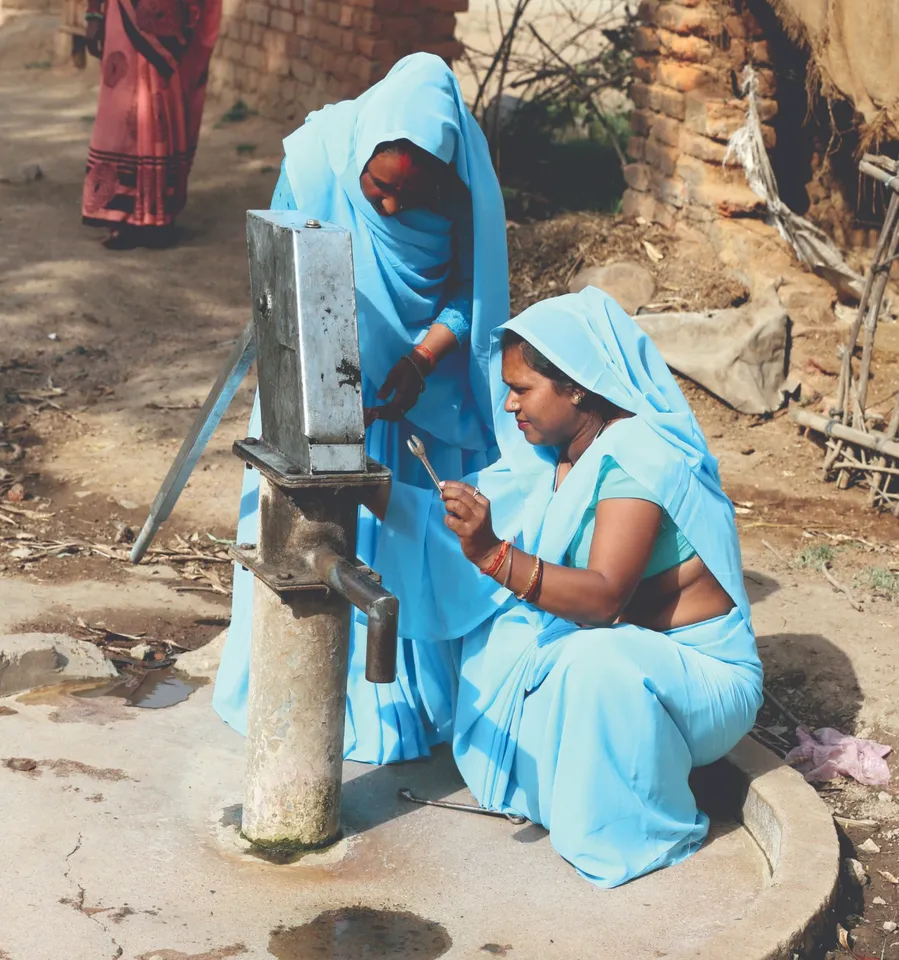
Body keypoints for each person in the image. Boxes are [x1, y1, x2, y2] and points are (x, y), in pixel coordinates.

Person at [370, 286, 764, 888]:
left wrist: (495, 554)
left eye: (522, 390)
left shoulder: (636, 453)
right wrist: (372, 490)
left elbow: (604, 598)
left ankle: (637, 830)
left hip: (701, 677)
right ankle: (568, 796)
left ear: (577, 386)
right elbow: (450, 544)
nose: (508, 405)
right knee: (500, 628)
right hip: (632, 655)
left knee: (590, 660)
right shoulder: (552, 457)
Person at [212, 53, 509, 764]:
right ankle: (307, 692)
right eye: (377, 190)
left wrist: (418, 359)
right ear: (361, 158)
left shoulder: (465, 181)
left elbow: (473, 292)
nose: (389, 209)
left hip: (417, 401)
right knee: (309, 546)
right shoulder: (319, 155)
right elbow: (282, 268)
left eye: (410, 196)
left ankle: (406, 702)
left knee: (406, 542)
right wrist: (319, 380)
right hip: (315, 390)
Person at [81, 0, 221, 248]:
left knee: (163, 107)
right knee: (122, 109)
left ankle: (159, 214)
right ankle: (122, 216)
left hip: (174, 21)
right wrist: (94, 13)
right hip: (125, 16)